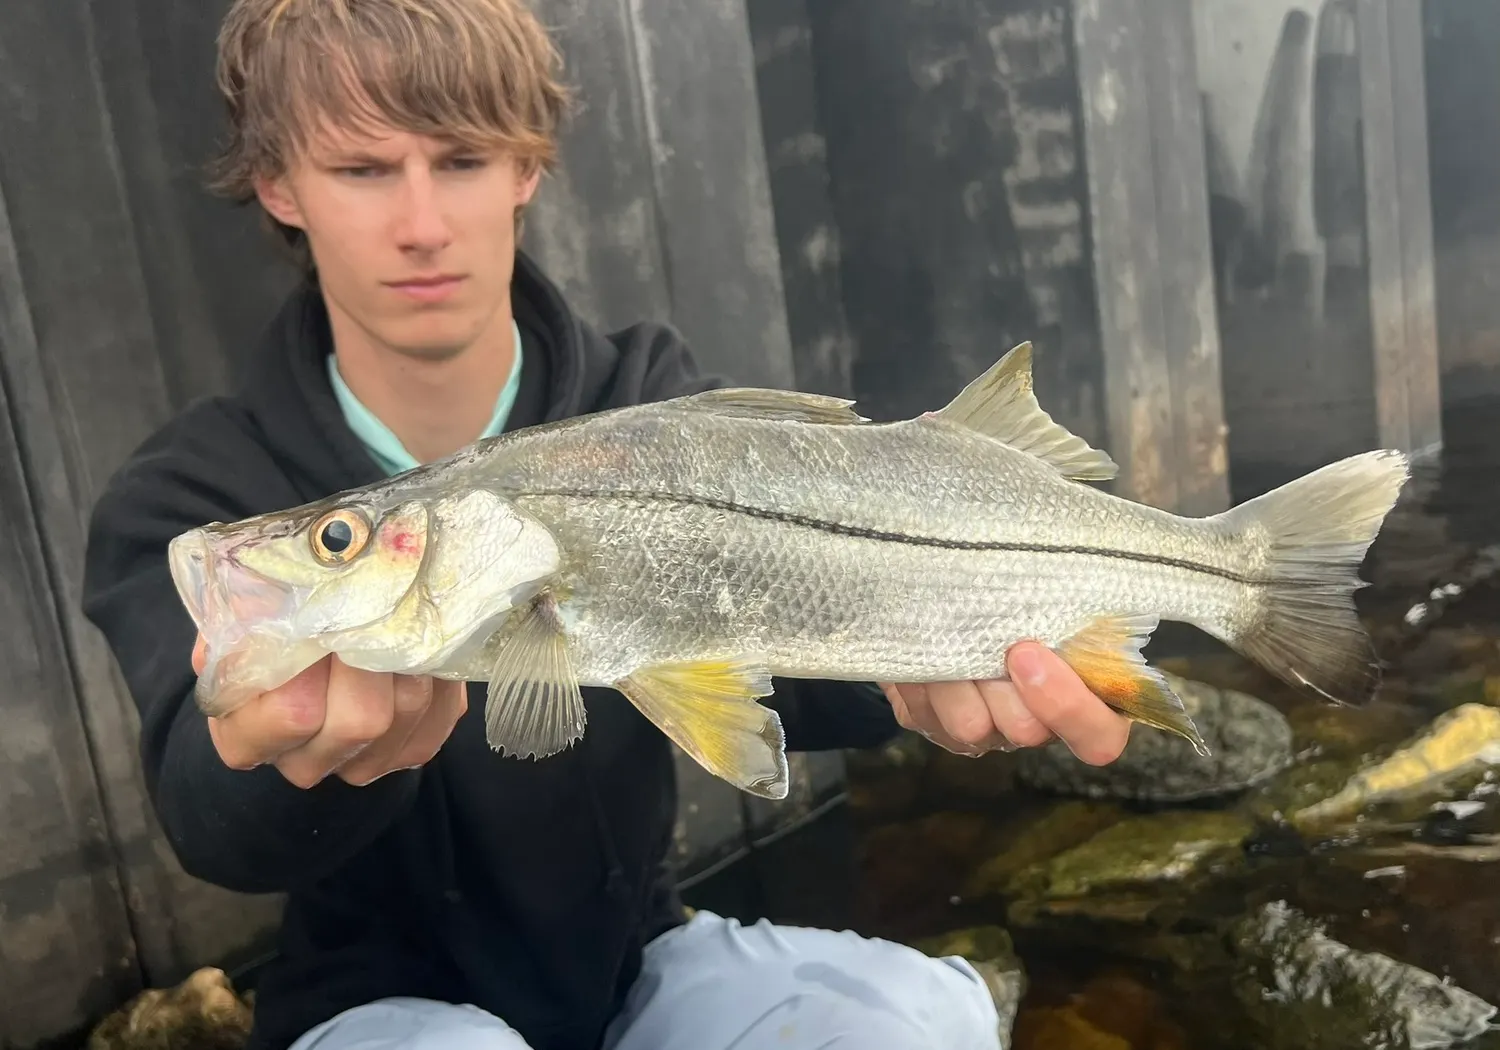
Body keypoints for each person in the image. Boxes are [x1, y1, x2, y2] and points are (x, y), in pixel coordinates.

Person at [80, 1, 1132, 1048]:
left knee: (924, 1020)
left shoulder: (653, 403)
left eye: (461, 160)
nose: (421, 224)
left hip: (643, 964)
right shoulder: (195, 496)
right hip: (373, 1002)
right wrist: (272, 765)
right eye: (362, 169)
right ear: (278, 185)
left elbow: (781, 670)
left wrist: (923, 674)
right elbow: (204, 812)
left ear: (526, 169)